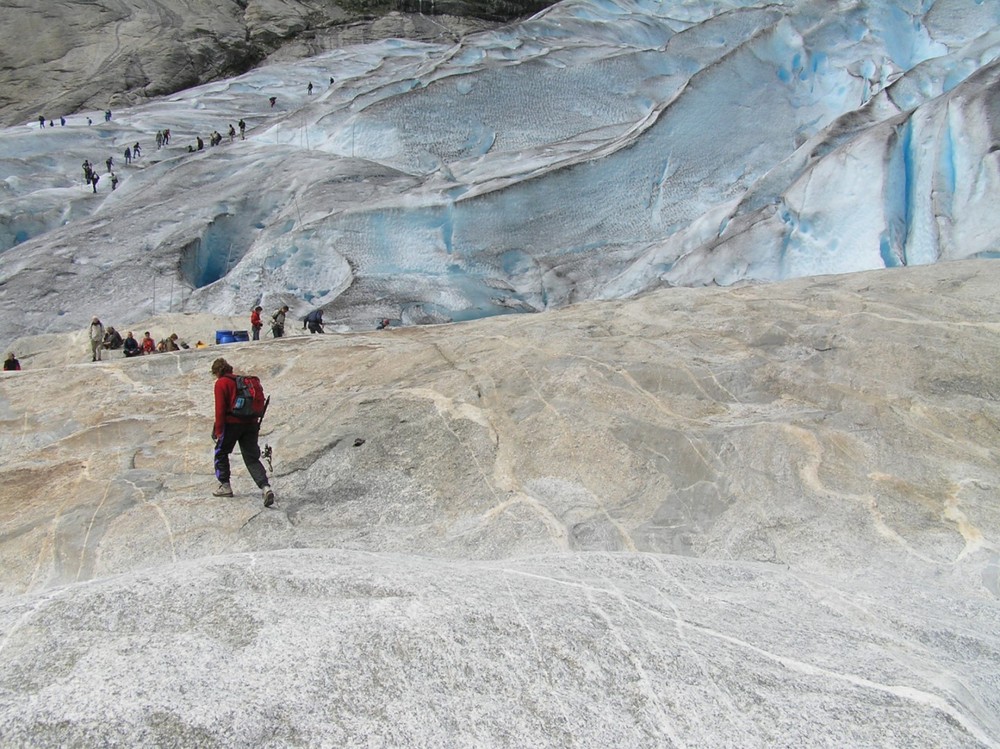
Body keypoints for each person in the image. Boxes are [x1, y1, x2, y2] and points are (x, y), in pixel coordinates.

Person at [210, 357, 274, 506]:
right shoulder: (241, 381)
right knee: (251, 458)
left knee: (221, 452)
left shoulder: (221, 383)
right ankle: (265, 487)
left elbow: (220, 410)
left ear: (217, 372)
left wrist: (219, 431)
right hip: (251, 423)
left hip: (232, 423)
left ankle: (225, 485)